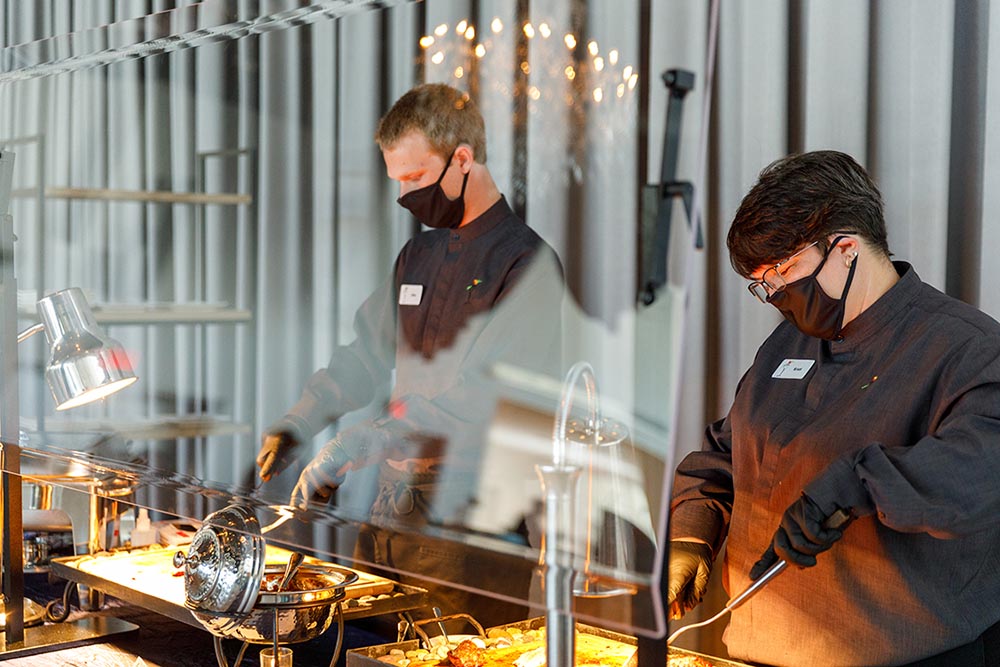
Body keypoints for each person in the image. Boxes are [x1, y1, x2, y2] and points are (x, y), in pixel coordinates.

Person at [667, 150, 1000, 666]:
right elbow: (728, 453)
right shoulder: (787, 346)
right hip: (753, 649)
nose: (773, 293)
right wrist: (691, 532)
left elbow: (980, 475)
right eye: (762, 283)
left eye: (780, 272)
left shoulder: (968, 349)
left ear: (844, 248)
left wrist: (860, 481)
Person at [256, 83, 562, 627]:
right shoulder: (416, 255)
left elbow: (486, 396)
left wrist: (363, 438)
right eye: (398, 180)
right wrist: (300, 420)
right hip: (389, 518)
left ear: (462, 160)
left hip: (472, 531)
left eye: (416, 177)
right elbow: (364, 356)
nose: (405, 195)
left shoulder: (526, 263)